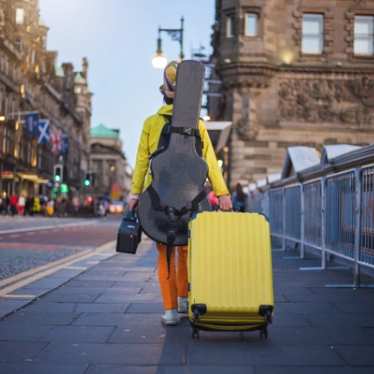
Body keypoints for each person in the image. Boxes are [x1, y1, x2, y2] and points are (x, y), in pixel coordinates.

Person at [128, 61, 232, 326]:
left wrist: (134, 193)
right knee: (186, 250)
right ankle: (186, 300)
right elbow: (209, 160)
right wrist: (222, 193)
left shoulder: (151, 123)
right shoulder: (197, 124)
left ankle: (170, 311)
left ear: (164, 93)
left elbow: (142, 160)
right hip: (191, 197)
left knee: (164, 253)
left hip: (158, 198)